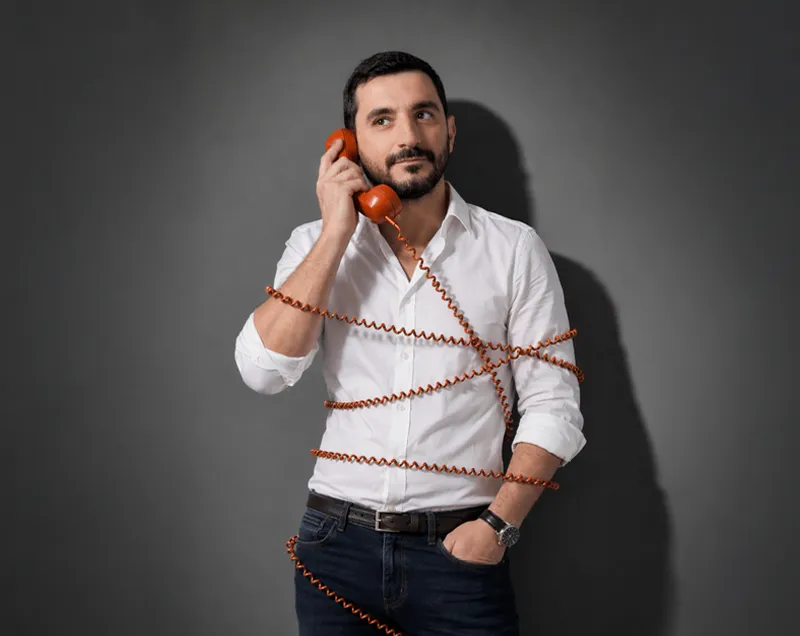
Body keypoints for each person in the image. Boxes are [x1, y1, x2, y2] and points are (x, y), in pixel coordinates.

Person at [234, 51, 586, 636]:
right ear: (347, 144)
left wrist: (497, 527)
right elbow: (264, 373)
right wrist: (336, 233)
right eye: (382, 119)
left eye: (423, 115)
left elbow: (554, 405)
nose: (408, 135)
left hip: (459, 549)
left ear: (448, 130)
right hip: (336, 547)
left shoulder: (513, 249)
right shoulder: (314, 244)